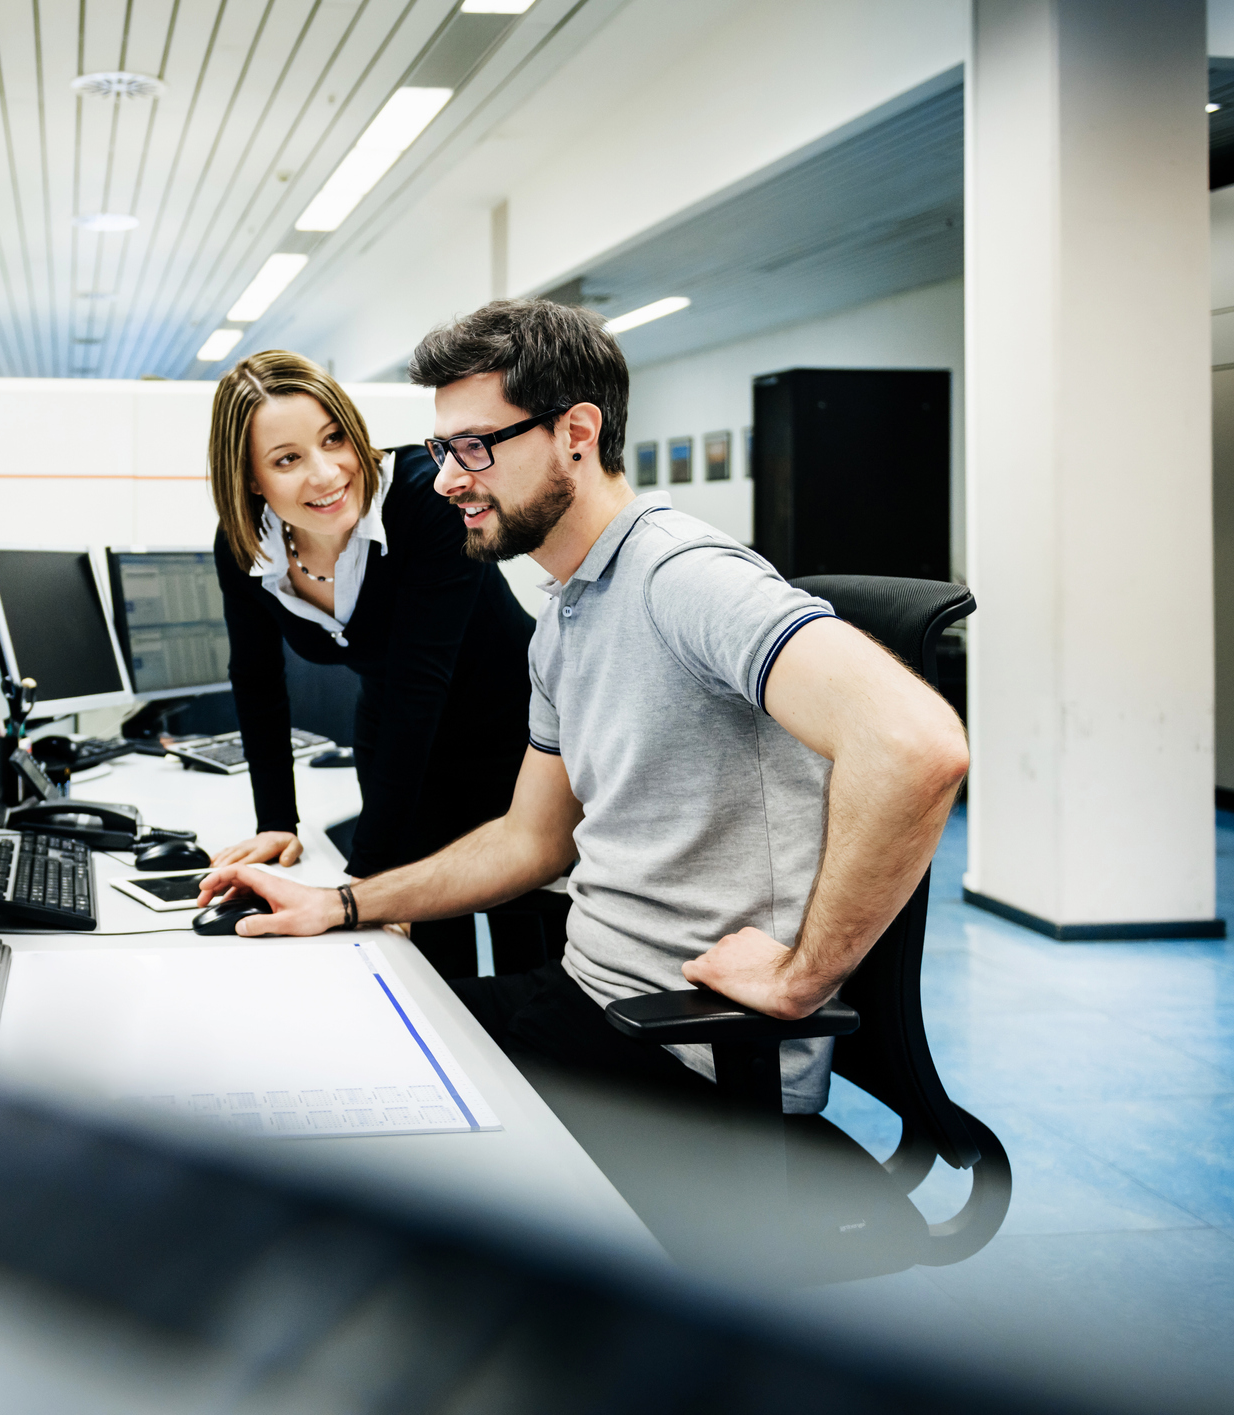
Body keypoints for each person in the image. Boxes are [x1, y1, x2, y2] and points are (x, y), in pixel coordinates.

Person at [195, 302, 969, 1113]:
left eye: (476, 448)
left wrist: (802, 975)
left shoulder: (683, 576)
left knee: (326, 1101)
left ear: (575, 432)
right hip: (582, 1000)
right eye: (441, 449)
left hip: (680, 1047)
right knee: (293, 1038)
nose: (449, 478)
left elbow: (917, 743)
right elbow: (529, 840)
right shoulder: (568, 613)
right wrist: (343, 903)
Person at [204, 349, 538, 980]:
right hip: (394, 728)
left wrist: (359, 887)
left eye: (335, 439)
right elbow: (256, 680)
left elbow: (422, 684)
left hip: (513, 729)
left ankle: (545, 1071)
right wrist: (276, 820)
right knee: (426, 951)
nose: (327, 473)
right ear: (251, 480)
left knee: (522, 925)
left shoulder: (423, 498)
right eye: (287, 459)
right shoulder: (244, 545)